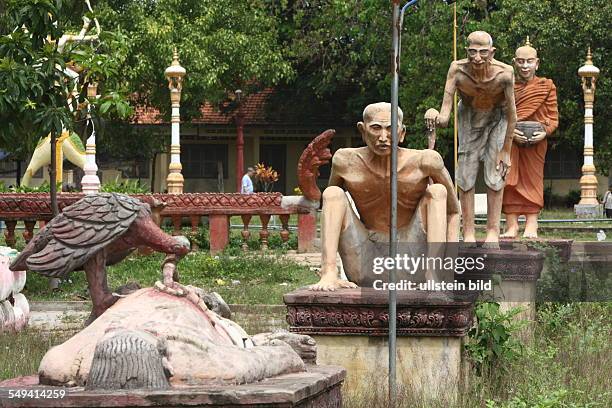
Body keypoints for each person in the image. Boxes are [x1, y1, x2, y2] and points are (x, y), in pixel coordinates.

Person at [310, 102, 460, 291]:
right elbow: (331, 210)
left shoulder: (425, 161)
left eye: (390, 129)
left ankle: (434, 274)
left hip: (412, 258)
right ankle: (329, 273)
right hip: (365, 258)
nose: (383, 137)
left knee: (437, 192)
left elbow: (453, 211)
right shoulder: (345, 161)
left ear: (402, 133)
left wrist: (449, 269)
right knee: (332, 193)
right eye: (375, 128)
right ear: (362, 131)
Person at [426, 31, 517, 247]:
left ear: (491, 52)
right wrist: (433, 115)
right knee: (466, 173)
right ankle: (468, 231)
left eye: (483, 52)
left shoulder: (504, 74)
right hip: (469, 115)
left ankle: (493, 231)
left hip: (499, 116)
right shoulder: (457, 70)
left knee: (495, 174)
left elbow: (513, 116)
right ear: (467, 51)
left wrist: (506, 150)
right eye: (473, 52)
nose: (477, 58)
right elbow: (445, 116)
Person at [501, 38, 559, 238]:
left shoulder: (547, 86)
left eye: (529, 61)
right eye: (520, 61)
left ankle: (532, 224)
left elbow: (553, 118)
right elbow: (500, 116)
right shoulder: (507, 85)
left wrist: (544, 132)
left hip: (536, 142)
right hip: (511, 140)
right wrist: (510, 133)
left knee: (533, 180)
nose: (525, 66)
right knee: (509, 179)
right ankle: (511, 225)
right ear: (514, 62)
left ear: (537, 63)